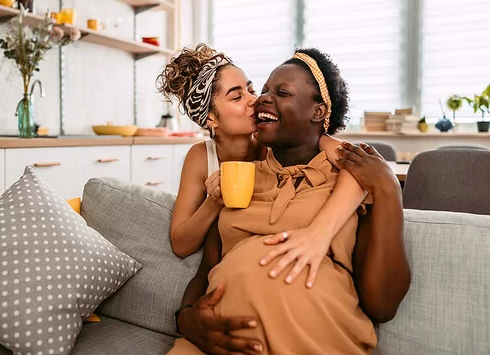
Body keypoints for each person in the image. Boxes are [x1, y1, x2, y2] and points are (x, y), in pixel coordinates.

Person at [151, 48, 411, 355]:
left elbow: (383, 304)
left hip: (313, 354)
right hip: (219, 352)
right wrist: (186, 318)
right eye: (262, 91)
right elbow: (206, 270)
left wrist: (387, 186)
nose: (259, 100)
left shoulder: (349, 183)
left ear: (318, 111)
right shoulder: (238, 179)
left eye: (280, 92)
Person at [157, 44, 377, 291]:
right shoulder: (201, 157)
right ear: (211, 118)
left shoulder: (278, 145)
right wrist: (215, 201)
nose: (255, 100)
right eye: (237, 96)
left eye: (251, 89)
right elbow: (180, 244)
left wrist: (320, 232)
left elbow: (361, 169)